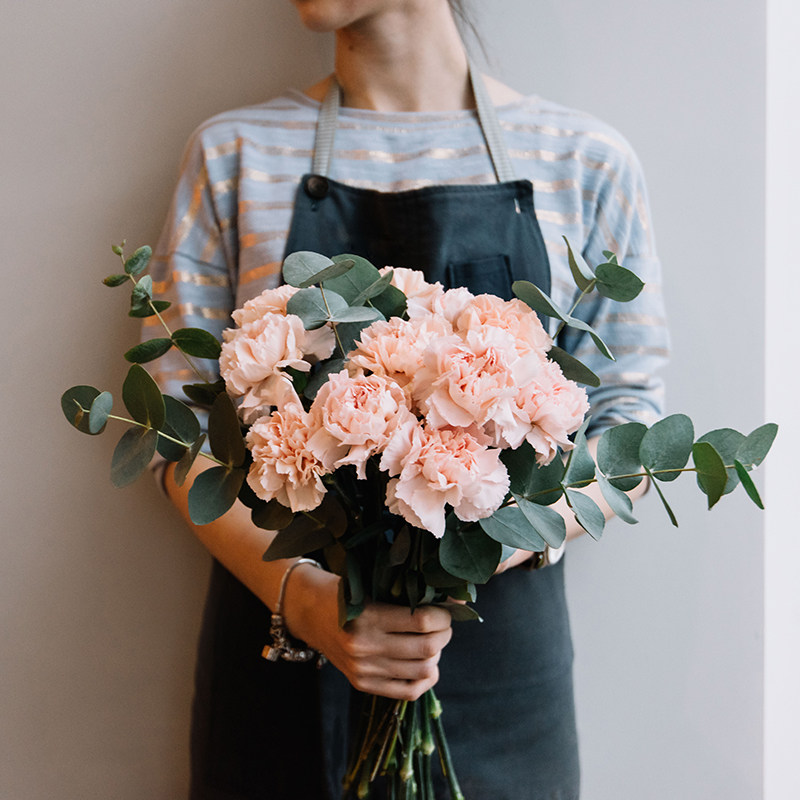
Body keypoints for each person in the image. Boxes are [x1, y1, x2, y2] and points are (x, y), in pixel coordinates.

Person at [145, 1, 668, 797]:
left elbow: (631, 426)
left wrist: (471, 541)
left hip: (500, 672)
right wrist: (309, 603)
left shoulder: (583, 159)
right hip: (282, 658)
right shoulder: (235, 154)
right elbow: (177, 436)